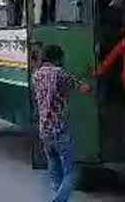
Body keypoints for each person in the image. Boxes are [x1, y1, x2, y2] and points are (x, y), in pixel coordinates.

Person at [31, 45, 91, 202]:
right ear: (57, 58)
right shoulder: (60, 73)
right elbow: (83, 88)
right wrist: (88, 79)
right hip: (59, 130)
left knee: (55, 172)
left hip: (44, 130)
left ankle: (58, 197)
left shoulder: (36, 75)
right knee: (71, 173)